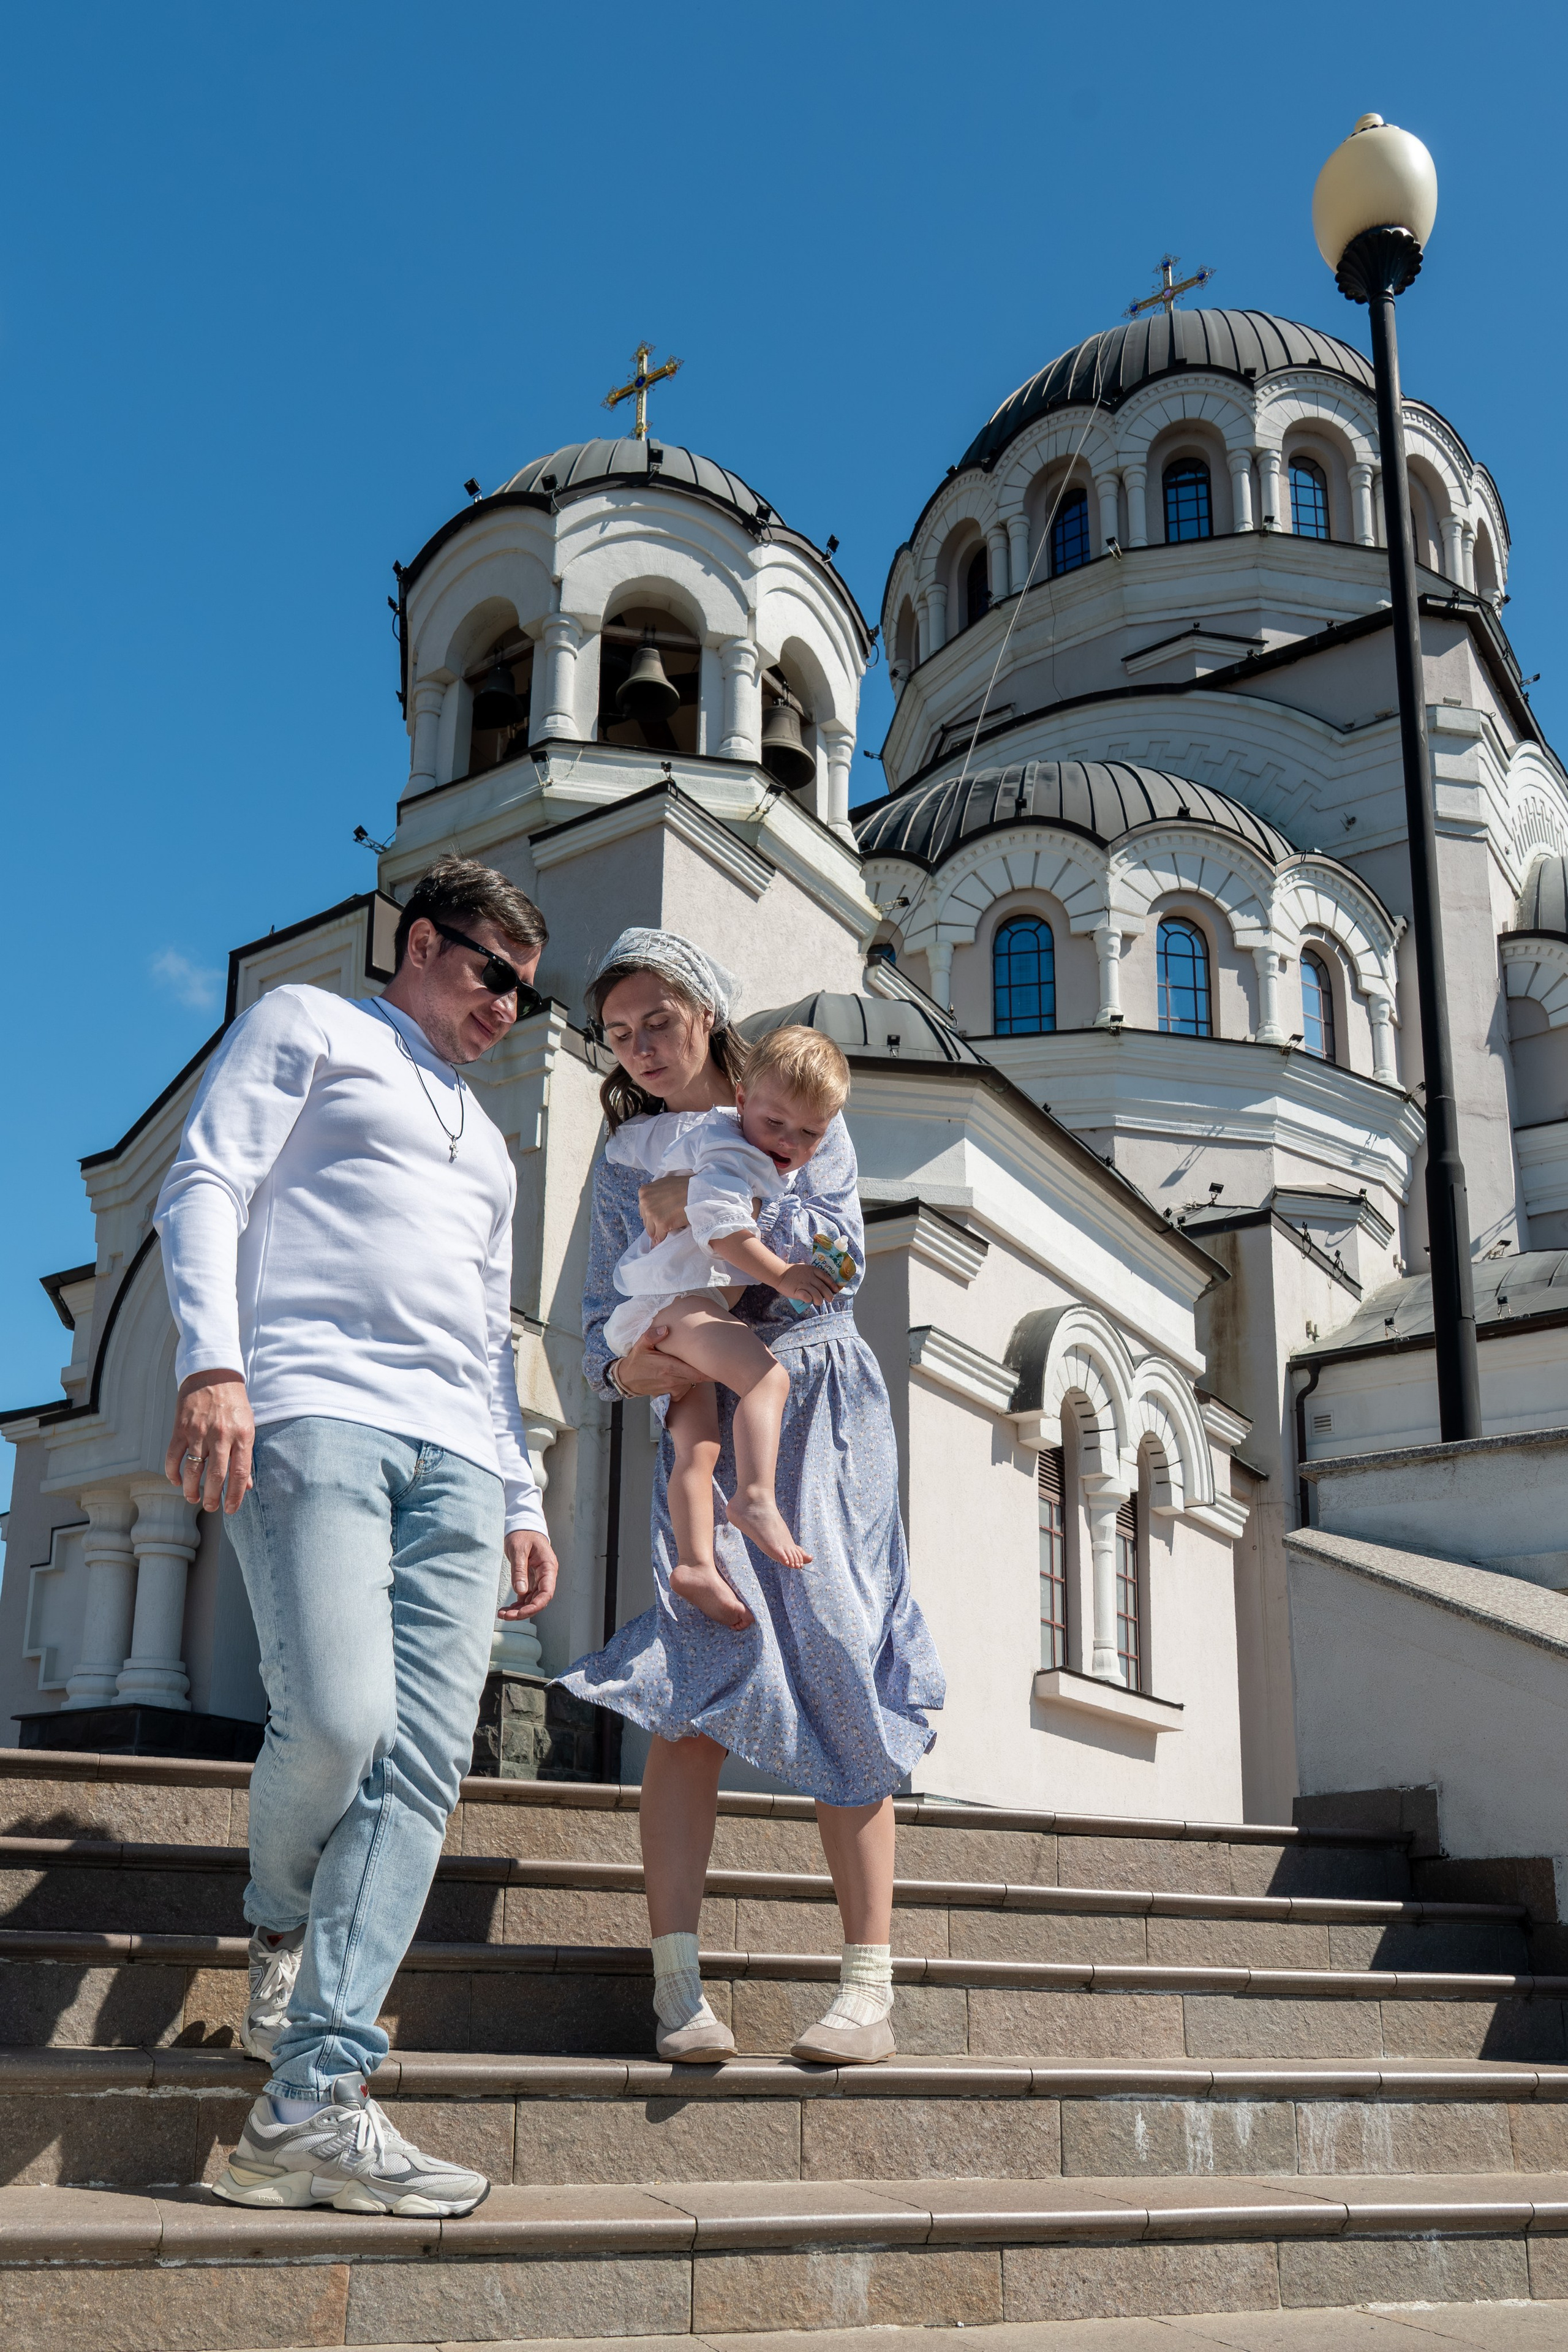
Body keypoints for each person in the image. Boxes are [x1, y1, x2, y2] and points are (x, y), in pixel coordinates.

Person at [154, 856, 559, 2217]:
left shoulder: (491, 1143)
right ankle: (279, 1916)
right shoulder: (311, 1027)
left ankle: (313, 2099)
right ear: (421, 943)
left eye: (525, 989)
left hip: (456, 1457)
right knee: (335, 1720)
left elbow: (490, 1342)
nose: (509, 1003)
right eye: (490, 972)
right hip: (316, 1412)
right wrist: (212, 1368)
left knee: (424, 1768)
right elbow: (204, 1181)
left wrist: (521, 1495)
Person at [557, 929, 944, 2067]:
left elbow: (840, 1263)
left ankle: (867, 1991)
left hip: (818, 1398)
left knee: (839, 1650)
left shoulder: (792, 1105)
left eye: (658, 1025)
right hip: (700, 1403)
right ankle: (680, 1991)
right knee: (696, 1687)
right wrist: (652, 1361)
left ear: (708, 1015)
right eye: (620, 1037)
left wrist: (712, 1205)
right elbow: (595, 1335)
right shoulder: (626, 1150)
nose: (641, 1050)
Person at [603, 1025, 854, 1623]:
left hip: (666, 1311)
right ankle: (755, 1498)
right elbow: (722, 1228)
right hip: (679, 1303)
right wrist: (781, 1275)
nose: (788, 1143)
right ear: (741, 1101)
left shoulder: (717, 1130)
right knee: (766, 1382)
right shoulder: (734, 1156)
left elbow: (645, 1139)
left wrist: (626, 1142)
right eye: (776, 1124)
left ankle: (694, 1563)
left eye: (810, 1134)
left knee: (699, 1447)